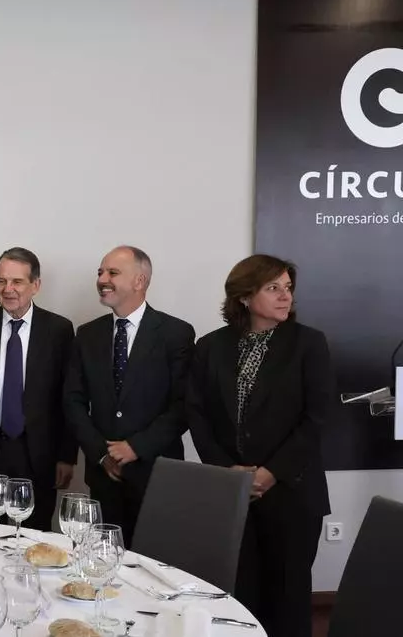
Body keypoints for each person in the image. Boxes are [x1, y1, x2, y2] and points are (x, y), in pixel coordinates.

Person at [187, 255, 332, 637]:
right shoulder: (211, 346)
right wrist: (227, 471)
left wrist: (271, 473)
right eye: (273, 288)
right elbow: (197, 414)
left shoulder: (308, 343)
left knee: (287, 600)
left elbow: (317, 418)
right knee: (237, 596)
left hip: (292, 492)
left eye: (288, 288)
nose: (285, 296)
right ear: (245, 297)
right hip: (232, 493)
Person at [64, 245, 194, 546]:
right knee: (102, 561)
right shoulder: (87, 334)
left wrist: (136, 447)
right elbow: (72, 400)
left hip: (156, 474)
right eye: (100, 272)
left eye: (113, 273)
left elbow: (184, 405)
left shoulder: (176, 333)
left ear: (139, 281)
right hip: (104, 477)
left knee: (153, 564)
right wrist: (101, 453)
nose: (102, 279)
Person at [0, 247, 76, 531]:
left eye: (17, 281)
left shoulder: (59, 330)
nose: (8, 289)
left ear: (36, 285)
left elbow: (68, 398)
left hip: (37, 454)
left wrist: (67, 456)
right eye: (1, 281)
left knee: (32, 536)